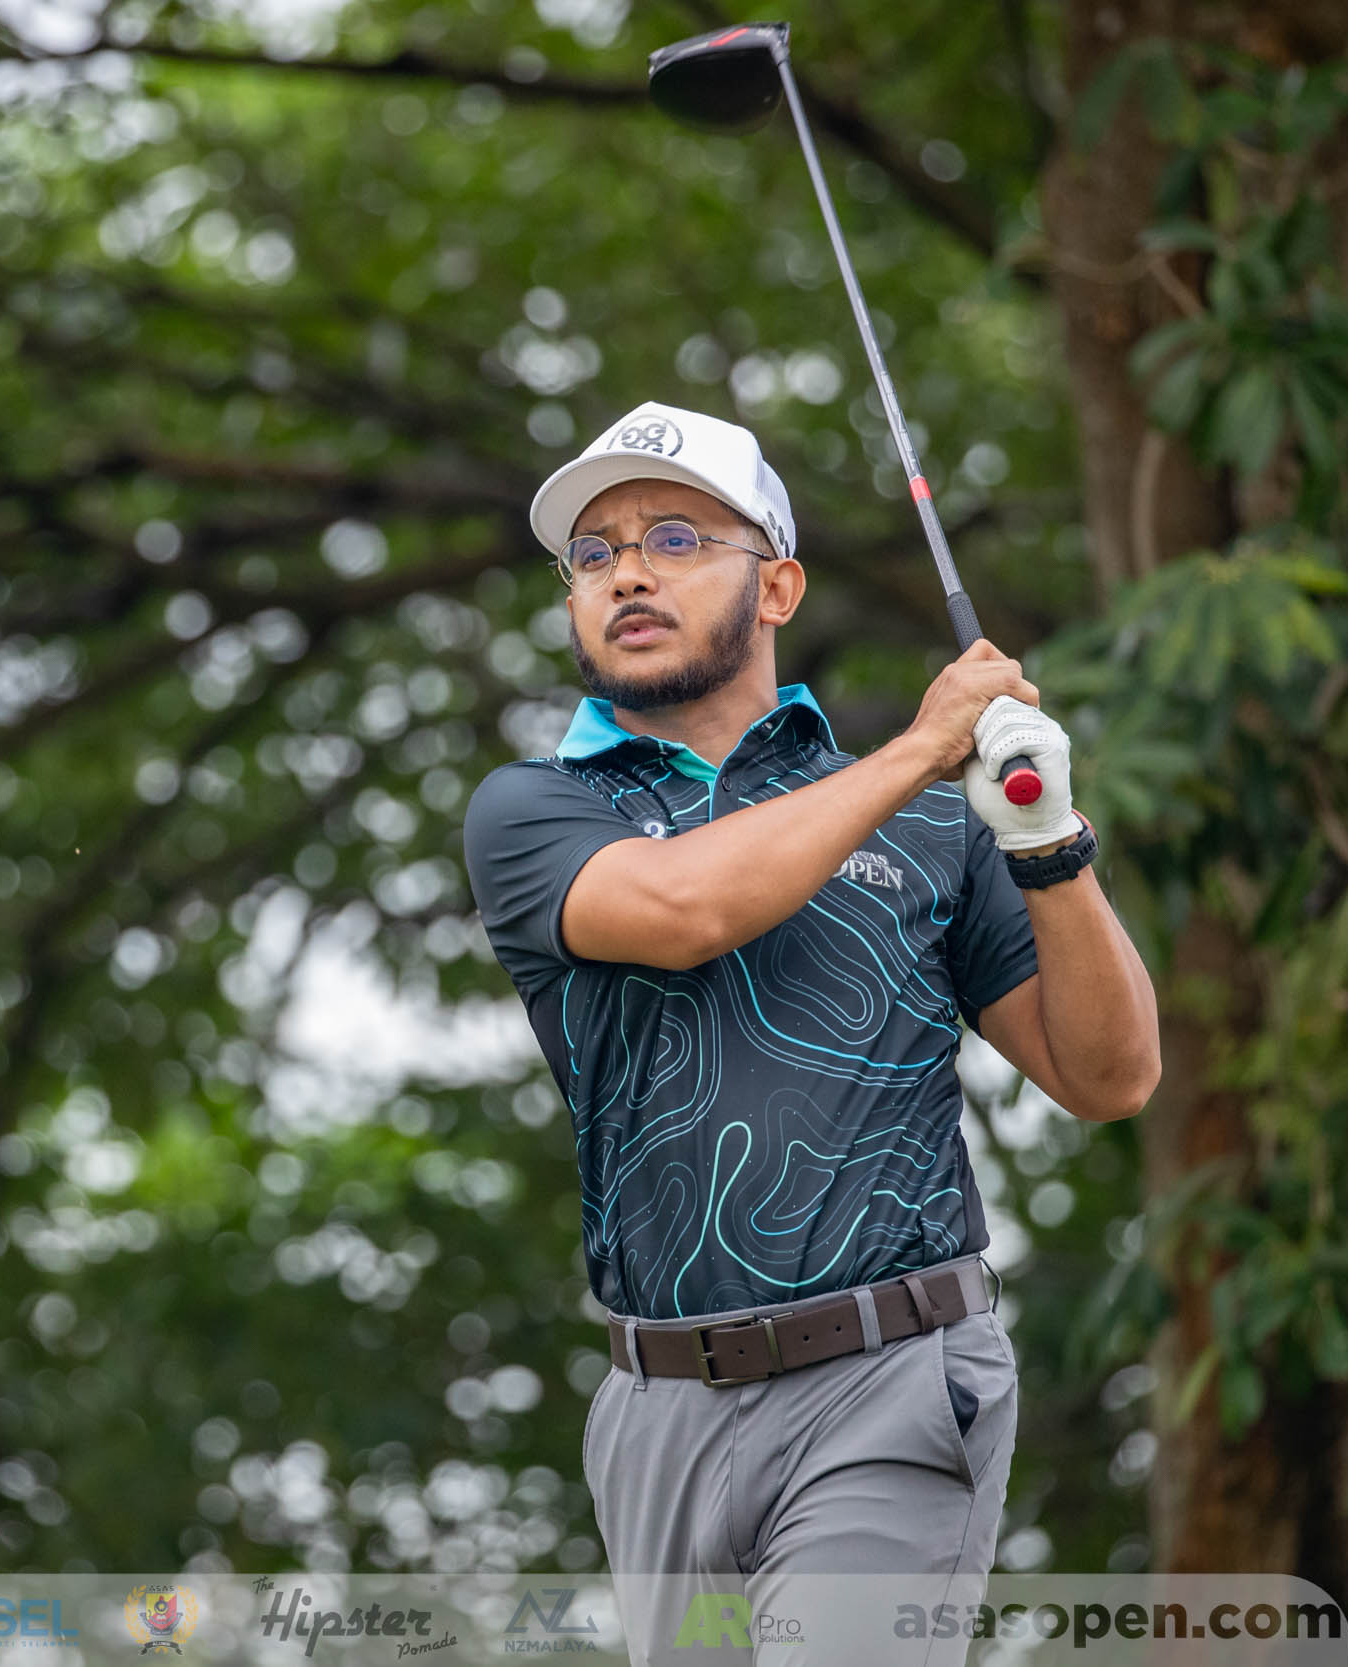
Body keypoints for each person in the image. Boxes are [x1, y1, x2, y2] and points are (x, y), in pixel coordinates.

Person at [461, 401, 1161, 1664]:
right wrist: (923, 745)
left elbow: (1110, 1074)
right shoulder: (535, 807)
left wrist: (1047, 842)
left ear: (776, 585)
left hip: (891, 1376)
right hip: (657, 1409)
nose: (625, 572)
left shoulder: (933, 823)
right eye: (593, 552)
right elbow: (684, 910)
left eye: (675, 537)